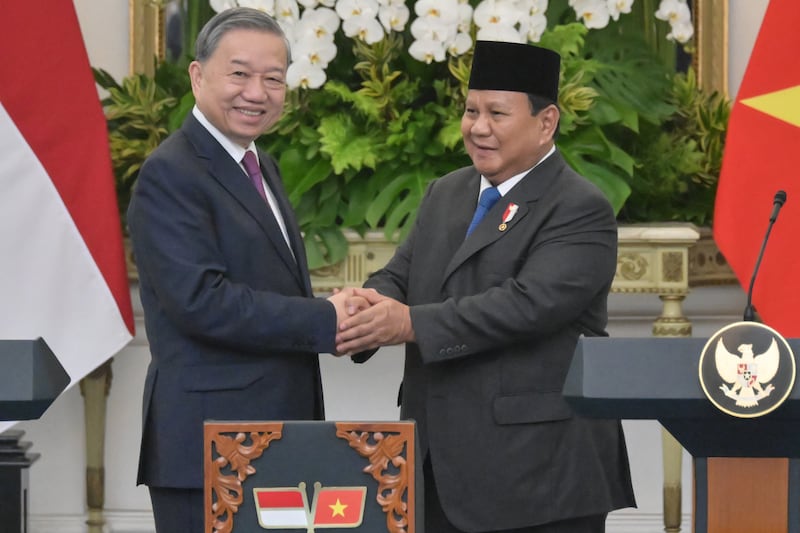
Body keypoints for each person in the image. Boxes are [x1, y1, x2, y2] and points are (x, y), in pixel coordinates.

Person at [336, 40, 636, 532]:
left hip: (539, 475)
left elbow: (526, 306)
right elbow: (402, 275)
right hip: (435, 467)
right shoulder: (446, 191)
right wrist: (362, 307)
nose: (478, 128)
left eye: (497, 113)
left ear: (546, 123)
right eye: (471, 110)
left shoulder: (579, 206)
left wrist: (408, 322)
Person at [126, 8, 356, 531]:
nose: (257, 92)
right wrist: (325, 319)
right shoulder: (171, 173)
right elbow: (202, 303)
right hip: (211, 449)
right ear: (197, 75)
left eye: (273, 78)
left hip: (275, 444)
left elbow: (265, 284)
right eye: (239, 74)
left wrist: (346, 315)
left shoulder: (259, 164)